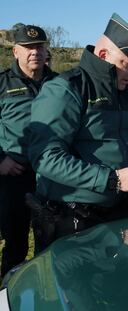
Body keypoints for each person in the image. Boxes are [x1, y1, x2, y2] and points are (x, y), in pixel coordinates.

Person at [29, 13, 128, 252]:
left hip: (119, 216)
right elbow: (45, 158)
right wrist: (114, 180)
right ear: (103, 55)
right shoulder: (66, 89)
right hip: (73, 221)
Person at [0, 24, 57, 276]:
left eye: (40, 46)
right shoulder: (2, 84)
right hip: (14, 176)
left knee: (52, 244)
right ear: (15, 51)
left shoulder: (59, 84)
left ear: (46, 51)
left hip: (53, 176)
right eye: (29, 47)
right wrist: (0, 160)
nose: (35, 51)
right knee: (15, 245)